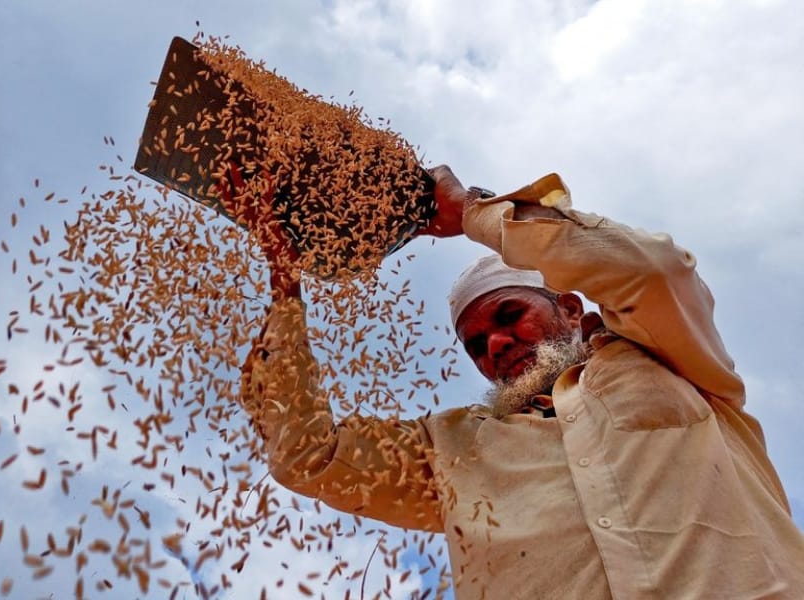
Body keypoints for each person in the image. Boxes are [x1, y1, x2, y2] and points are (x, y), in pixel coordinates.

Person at [231, 166, 804, 598]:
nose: (496, 346)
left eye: (509, 316)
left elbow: (655, 271)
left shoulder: (671, 358)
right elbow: (311, 455)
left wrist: (473, 214)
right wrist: (285, 290)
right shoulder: (452, 450)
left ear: (572, 309)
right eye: (476, 345)